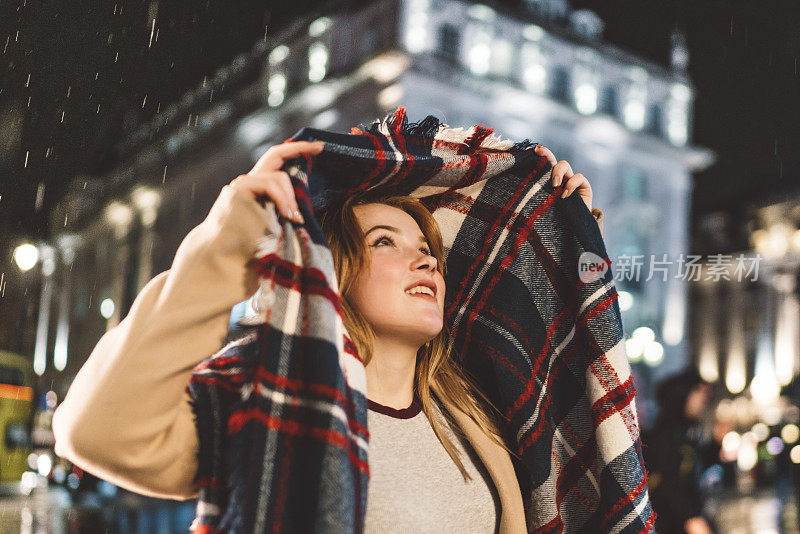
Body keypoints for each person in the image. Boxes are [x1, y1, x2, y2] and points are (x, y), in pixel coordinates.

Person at [52, 138, 601, 532]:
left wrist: (559, 231)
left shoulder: (478, 419)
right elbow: (99, 431)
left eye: (427, 247)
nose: (426, 260)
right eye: (387, 242)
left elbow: (569, 399)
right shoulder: (268, 394)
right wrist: (230, 240)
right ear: (335, 267)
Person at [643, 369, 718, 534]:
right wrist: (689, 518)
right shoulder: (665, 436)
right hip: (672, 525)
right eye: (697, 391)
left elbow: (693, 471)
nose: (703, 398)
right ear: (681, 395)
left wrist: (715, 445)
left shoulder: (686, 434)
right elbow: (670, 481)